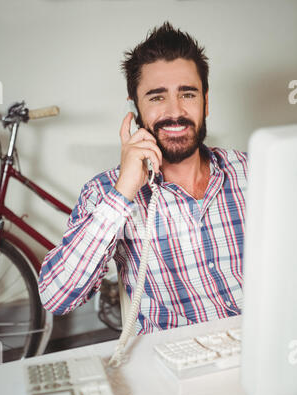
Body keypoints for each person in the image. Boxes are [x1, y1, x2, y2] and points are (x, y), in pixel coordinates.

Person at [38, 22, 247, 335]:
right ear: (134, 110)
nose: (175, 112)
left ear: (206, 102)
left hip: (260, 350)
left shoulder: (251, 170)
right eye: (156, 97)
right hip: (171, 365)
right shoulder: (105, 191)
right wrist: (124, 191)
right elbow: (56, 298)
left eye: (187, 94)